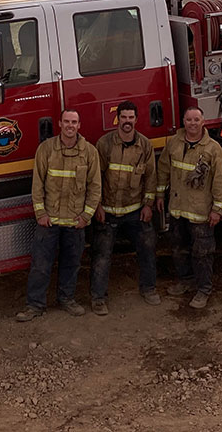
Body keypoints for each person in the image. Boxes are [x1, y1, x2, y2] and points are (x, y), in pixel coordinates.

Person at [17, 108, 101, 321]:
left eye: (74, 122)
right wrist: (40, 213)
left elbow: (95, 188)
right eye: (67, 121)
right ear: (60, 124)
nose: (70, 126)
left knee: (71, 264)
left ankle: (66, 299)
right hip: (49, 221)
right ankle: (35, 305)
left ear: (79, 125)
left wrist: (86, 217)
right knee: (40, 266)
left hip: (75, 222)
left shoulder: (90, 152)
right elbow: (37, 184)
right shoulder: (46, 149)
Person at [89, 100, 160, 315]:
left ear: (136, 120)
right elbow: (96, 178)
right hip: (108, 211)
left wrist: (148, 205)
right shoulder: (104, 144)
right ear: (117, 119)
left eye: (131, 117)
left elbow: (150, 178)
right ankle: (98, 298)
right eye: (123, 117)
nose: (127, 121)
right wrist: (97, 206)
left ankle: (149, 289)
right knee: (101, 257)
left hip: (135, 211)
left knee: (148, 249)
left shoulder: (145, 145)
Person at [156, 106, 222, 309]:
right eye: (189, 120)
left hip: (201, 212)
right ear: (183, 122)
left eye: (197, 119)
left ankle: (204, 289)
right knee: (178, 248)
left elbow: (220, 180)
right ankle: (185, 280)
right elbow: (163, 169)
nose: (193, 123)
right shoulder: (174, 143)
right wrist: (159, 194)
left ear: (203, 122)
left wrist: (217, 209)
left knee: (202, 253)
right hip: (178, 208)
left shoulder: (213, 149)